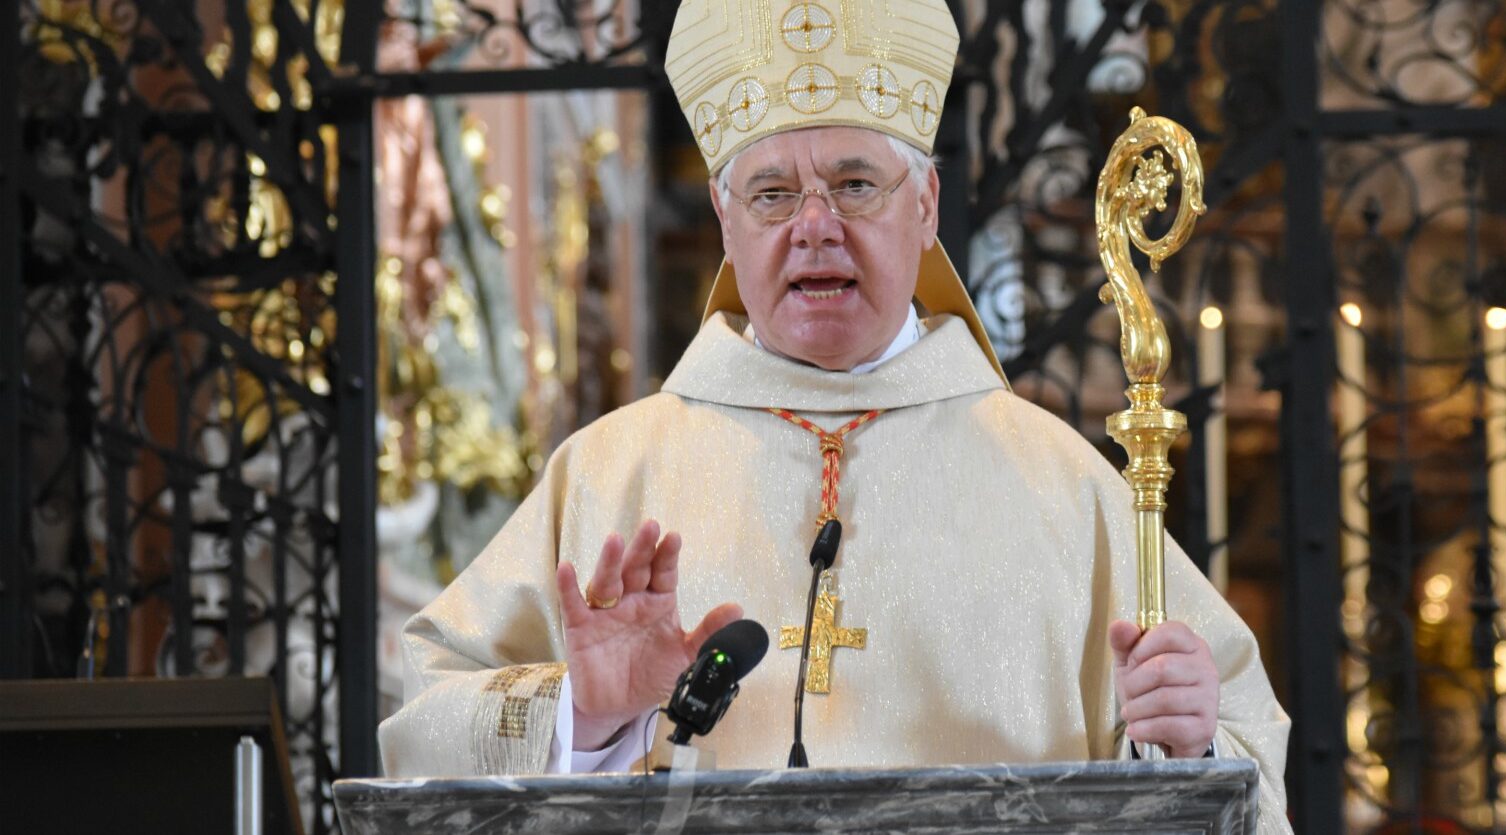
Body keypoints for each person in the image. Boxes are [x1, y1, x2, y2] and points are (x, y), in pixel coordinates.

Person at [377, 1, 1293, 830]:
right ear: (726, 221)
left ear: (927, 205)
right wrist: (585, 711)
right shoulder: (608, 475)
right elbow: (419, 725)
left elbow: (1238, 755)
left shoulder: (1063, 484)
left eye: (856, 184)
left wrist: (1189, 740)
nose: (814, 225)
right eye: (773, 194)